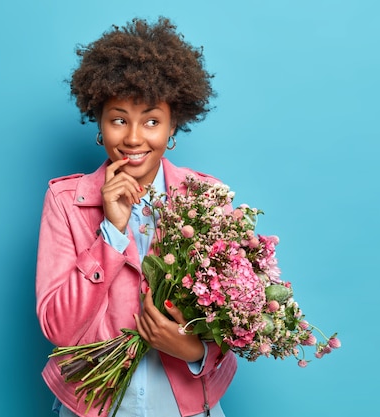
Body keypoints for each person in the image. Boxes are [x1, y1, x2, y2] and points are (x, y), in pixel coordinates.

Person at [36, 17, 237, 417]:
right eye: (118, 119)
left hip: (187, 406)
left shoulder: (208, 198)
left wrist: (193, 350)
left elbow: (232, 315)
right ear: (99, 122)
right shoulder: (65, 201)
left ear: (172, 124)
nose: (132, 138)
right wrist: (111, 231)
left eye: (151, 121)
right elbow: (58, 328)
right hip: (92, 405)